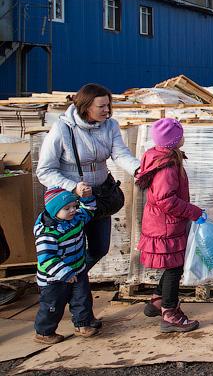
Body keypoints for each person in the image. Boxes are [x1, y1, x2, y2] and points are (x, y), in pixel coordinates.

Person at [36, 84, 140, 271]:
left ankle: (73, 277)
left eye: (108, 105)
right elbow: (45, 170)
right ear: (86, 107)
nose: (107, 110)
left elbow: (120, 154)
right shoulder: (63, 128)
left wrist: (138, 169)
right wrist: (72, 187)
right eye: (101, 106)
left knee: (100, 248)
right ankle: (67, 285)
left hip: (98, 197)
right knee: (68, 250)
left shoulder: (111, 126)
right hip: (68, 202)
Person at [135, 118, 204, 333]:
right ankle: (170, 313)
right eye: (181, 134)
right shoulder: (167, 166)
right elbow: (166, 200)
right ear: (174, 140)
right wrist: (194, 211)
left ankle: (158, 299)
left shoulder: (160, 157)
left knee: (173, 264)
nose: (184, 137)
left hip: (163, 223)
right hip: (166, 225)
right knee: (175, 268)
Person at [33, 188, 99, 343]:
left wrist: (88, 198)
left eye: (74, 206)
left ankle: (82, 325)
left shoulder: (76, 218)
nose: (73, 210)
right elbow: (47, 259)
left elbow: (89, 211)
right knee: (52, 306)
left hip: (77, 269)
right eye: (67, 208)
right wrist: (65, 273)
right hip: (54, 279)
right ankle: (44, 332)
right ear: (54, 210)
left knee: (82, 299)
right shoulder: (47, 233)